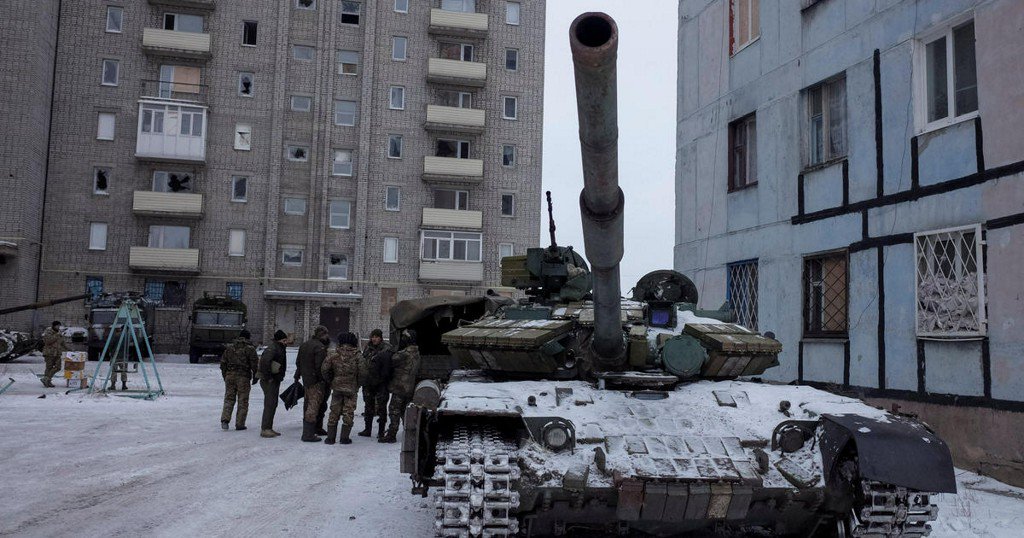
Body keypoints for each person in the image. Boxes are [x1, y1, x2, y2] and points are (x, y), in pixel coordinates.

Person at [321, 332, 361, 445]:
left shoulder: (334, 354)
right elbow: (363, 372)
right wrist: (358, 384)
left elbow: (324, 369)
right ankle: (344, 438)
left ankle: (330, 438)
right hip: (351, 389)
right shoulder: (357, 355)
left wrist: (331, 380)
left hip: (337, 387)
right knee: (349, 412)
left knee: (334, 411)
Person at [382, 331, 420, 444]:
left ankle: (391, 434)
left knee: (394, 410)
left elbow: (392, 360)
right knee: (405, 411)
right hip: (409, 387)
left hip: (400, 387)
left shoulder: (404, 354)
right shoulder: (417, 353)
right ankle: (410, 433)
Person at [295, 325, 330, 442]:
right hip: (316, 382)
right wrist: (324, 380)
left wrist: (298, 375)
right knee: (313, 406)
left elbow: (298, 362)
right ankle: (308, 434)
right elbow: (321, 367)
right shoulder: (320, 347)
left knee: (308, 404)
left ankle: (315, 428)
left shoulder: (304, 345)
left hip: (307, 380)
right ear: (323, 334)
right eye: (326, 334)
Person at [358, 328, 393, 439]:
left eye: (376, 337)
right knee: (368, 406)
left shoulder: (387, 348)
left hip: (381, 382)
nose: (374, 339)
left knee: (382, 407)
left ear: (381, 338)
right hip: (368, 382)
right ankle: (367, 429)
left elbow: (389, 365)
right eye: (372, 337)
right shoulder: (368, 347)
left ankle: (381, 431)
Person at [220, 329, 258, 431]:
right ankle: (240, 424)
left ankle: (225, 420)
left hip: (230, 376)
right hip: (243, 377)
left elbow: (223, 363)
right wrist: (256, 377)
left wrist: (225, 375)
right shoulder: (250, 349)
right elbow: (254, 364)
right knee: (243, 400)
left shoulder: (230, 348)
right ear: (248, 338)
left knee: (229, 398)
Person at [258, 330, 289, 438]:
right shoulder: (273, 348)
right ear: (279, 340)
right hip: (269, 380)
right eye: (284, 340)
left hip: (274, 379)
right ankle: (265, 429)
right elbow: (265, 362)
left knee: (272, 403)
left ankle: (268, 428)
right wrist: (269, 377)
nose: (286, 342)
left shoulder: (278, 348)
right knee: (270, 404)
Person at [40, 321, 67, 388]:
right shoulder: (48, 332)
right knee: (49, 367)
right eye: (57, 326)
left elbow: (62, 343)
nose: (58, 327)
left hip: (57, 353)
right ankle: (48, 382)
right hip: (49, 352)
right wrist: (57, 335)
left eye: (59, 326)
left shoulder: (59, 333)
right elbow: (48, 341)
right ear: (53, 326)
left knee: (58, 367)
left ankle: (46, 379)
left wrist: (70, 349)